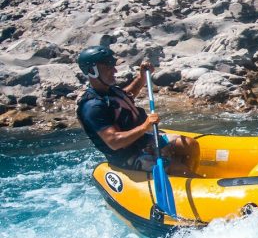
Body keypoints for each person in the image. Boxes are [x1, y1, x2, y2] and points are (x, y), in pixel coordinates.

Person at [75, 45, 200, 175]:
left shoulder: (109, 90)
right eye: (109, 67)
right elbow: (114, 142)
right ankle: (182, 174)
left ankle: (185, 177)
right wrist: (145, 126)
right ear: (92, 70)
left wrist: (142, 78)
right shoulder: (92, 107)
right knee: (179, 170)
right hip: (127, 156)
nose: (115, 71)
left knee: (190, 145)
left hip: (141, 141)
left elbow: (125, 98)